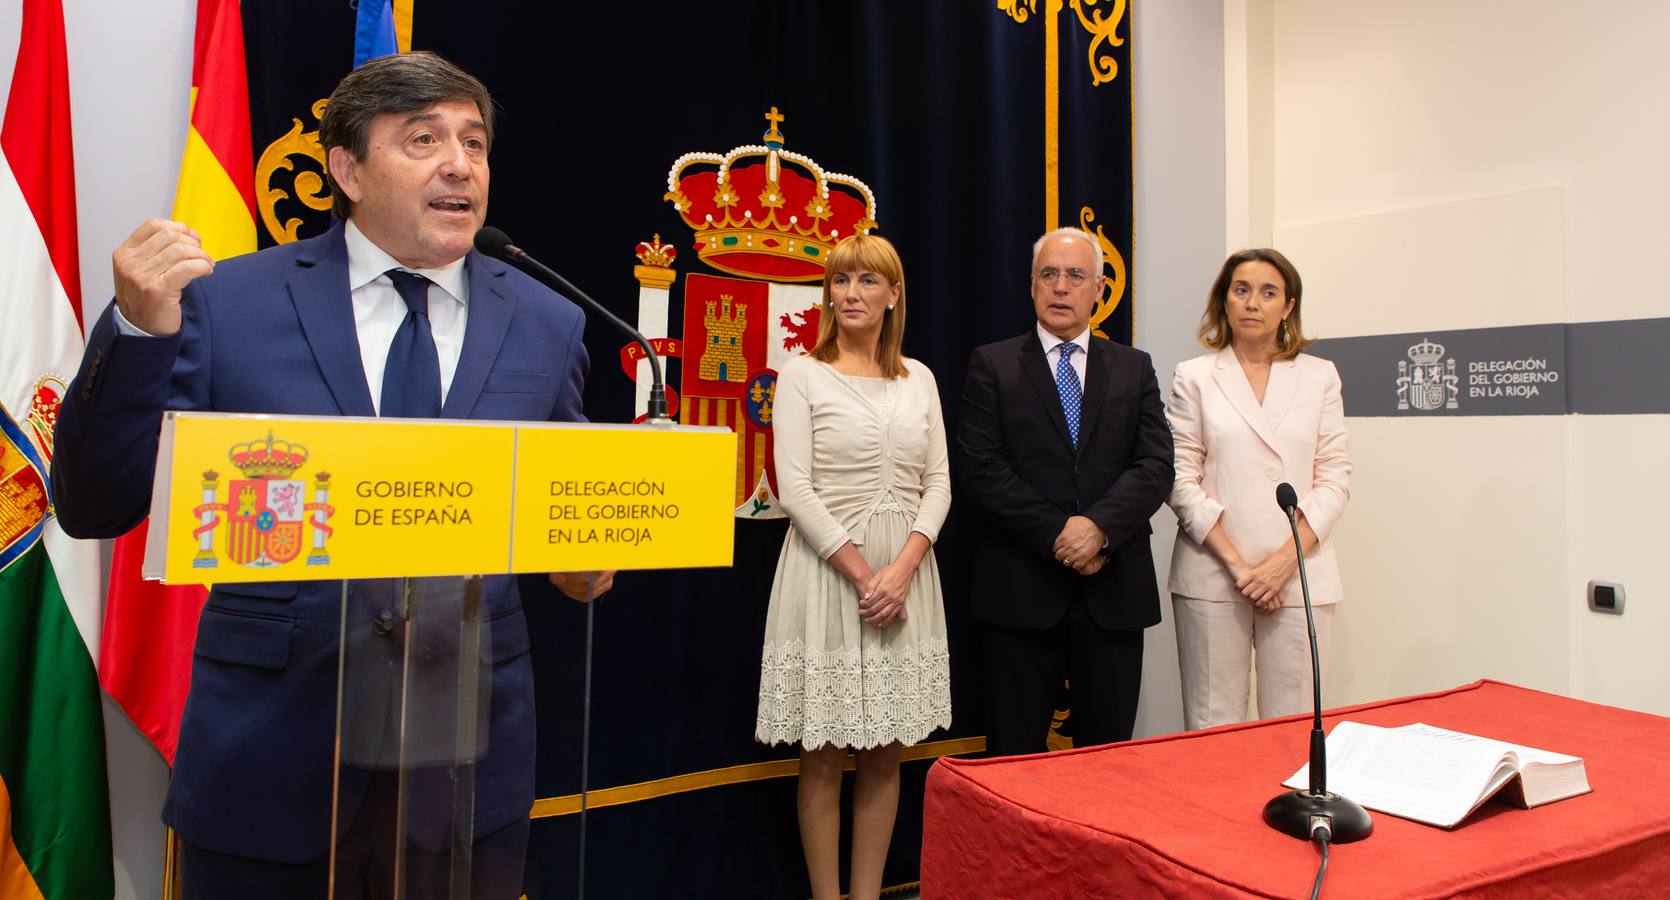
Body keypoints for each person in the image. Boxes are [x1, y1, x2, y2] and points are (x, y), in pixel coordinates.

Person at [49, 52, 602, 899]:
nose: (460, 164)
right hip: (268, 765)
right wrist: (136, 331)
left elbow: (571, 531)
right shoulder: (229, 303)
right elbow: (96, 504)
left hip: (465, 775)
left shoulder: (550, 322)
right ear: (347, 169)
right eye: (423, 139)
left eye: (475, 142)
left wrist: (588, 557)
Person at [755, 234, 952, 900]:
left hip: (906, 577)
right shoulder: (802, 374)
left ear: (894, 295)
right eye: (840, 282)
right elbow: (795, 487)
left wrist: (902, 569)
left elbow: (941, 482)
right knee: (822, 752)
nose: (851, 294)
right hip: (826, 578)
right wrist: (867, 578)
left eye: (868, 282)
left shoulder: (919, 377)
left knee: (884, 750)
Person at [957, 227, 1173, 757]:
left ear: (1099, 288)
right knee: (1013, 761)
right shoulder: (993, 363)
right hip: (1020, 591)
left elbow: (1155, 464)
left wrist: (1099, 530)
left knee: (1107, 764)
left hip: (1113, 590)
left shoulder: (1133, 366)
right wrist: (1059, 534)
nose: (1061, 286)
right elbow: (981, 467)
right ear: (1031, 286)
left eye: (1076, 275)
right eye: (1048, 274)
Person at [1165, 248, 1351, 730]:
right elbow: (1180, 479)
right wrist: (1242, 568)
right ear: (1224, 302)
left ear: (1288, 307)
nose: (1253, 303)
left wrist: (1279, 565)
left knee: (1292, 731)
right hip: (1214, 572)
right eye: (1241, 290)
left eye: (1268, 293)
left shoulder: (1319, 375)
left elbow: (1334, 478)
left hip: (1299, 573)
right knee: (1213, 727)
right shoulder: (1195, 377)